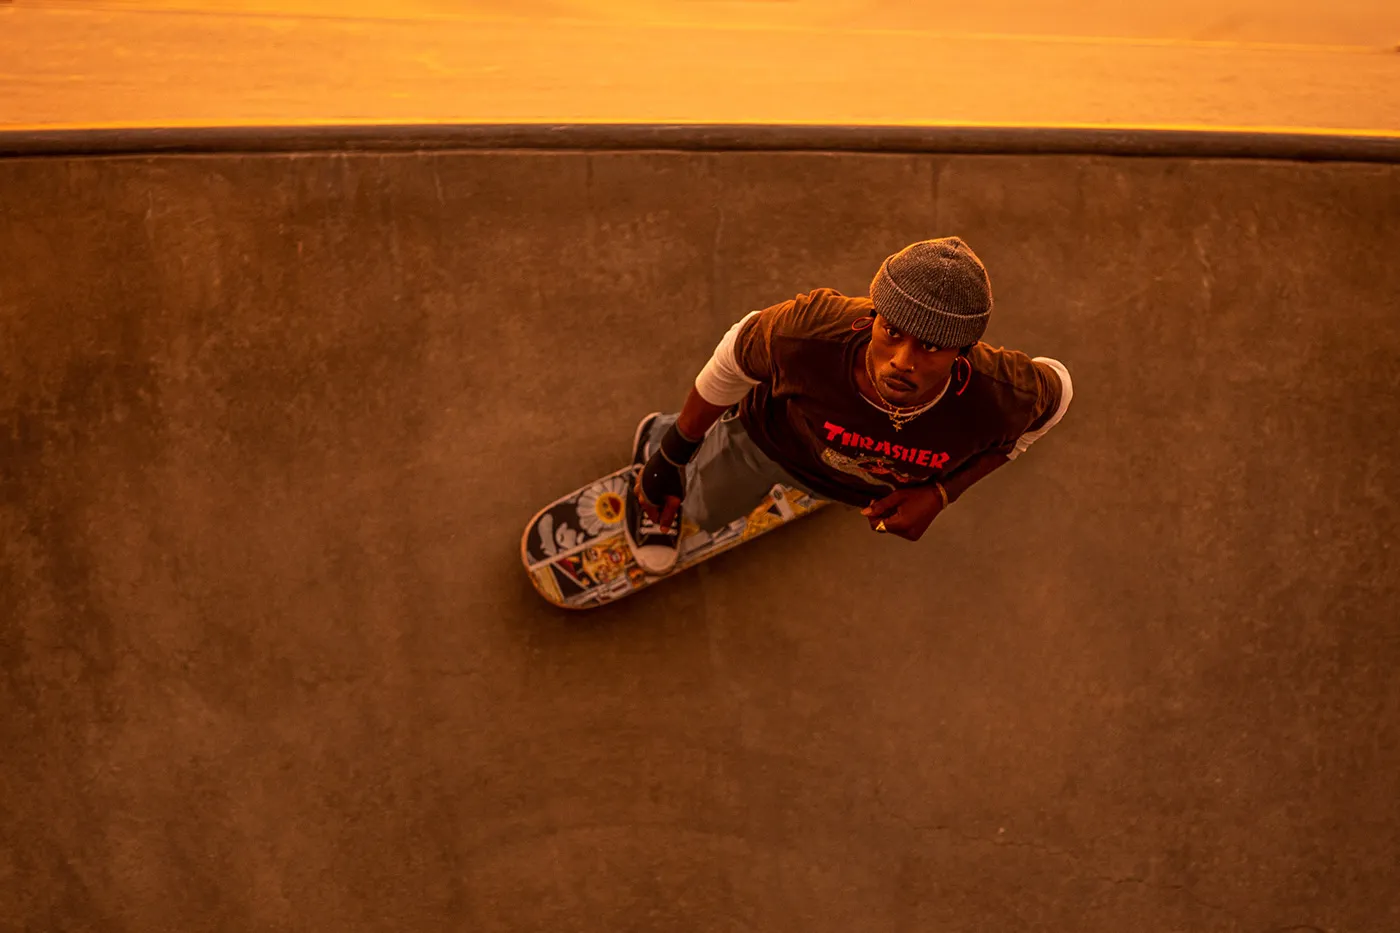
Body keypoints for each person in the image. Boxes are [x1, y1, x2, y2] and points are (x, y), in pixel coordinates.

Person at [623, 236, 1073, 575]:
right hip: (770, 445)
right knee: (705, 511)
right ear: (875, 315)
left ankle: (826, 479)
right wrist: (674, 450)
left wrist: (941, 494)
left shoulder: (1002, 391)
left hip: (863, 485)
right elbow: (734, 357)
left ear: (965, 348)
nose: (902, 362)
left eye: (932, 347)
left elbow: (1058, 394)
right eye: (892, 331)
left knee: (836, 475)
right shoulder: (810, 331)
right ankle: (662, 439)